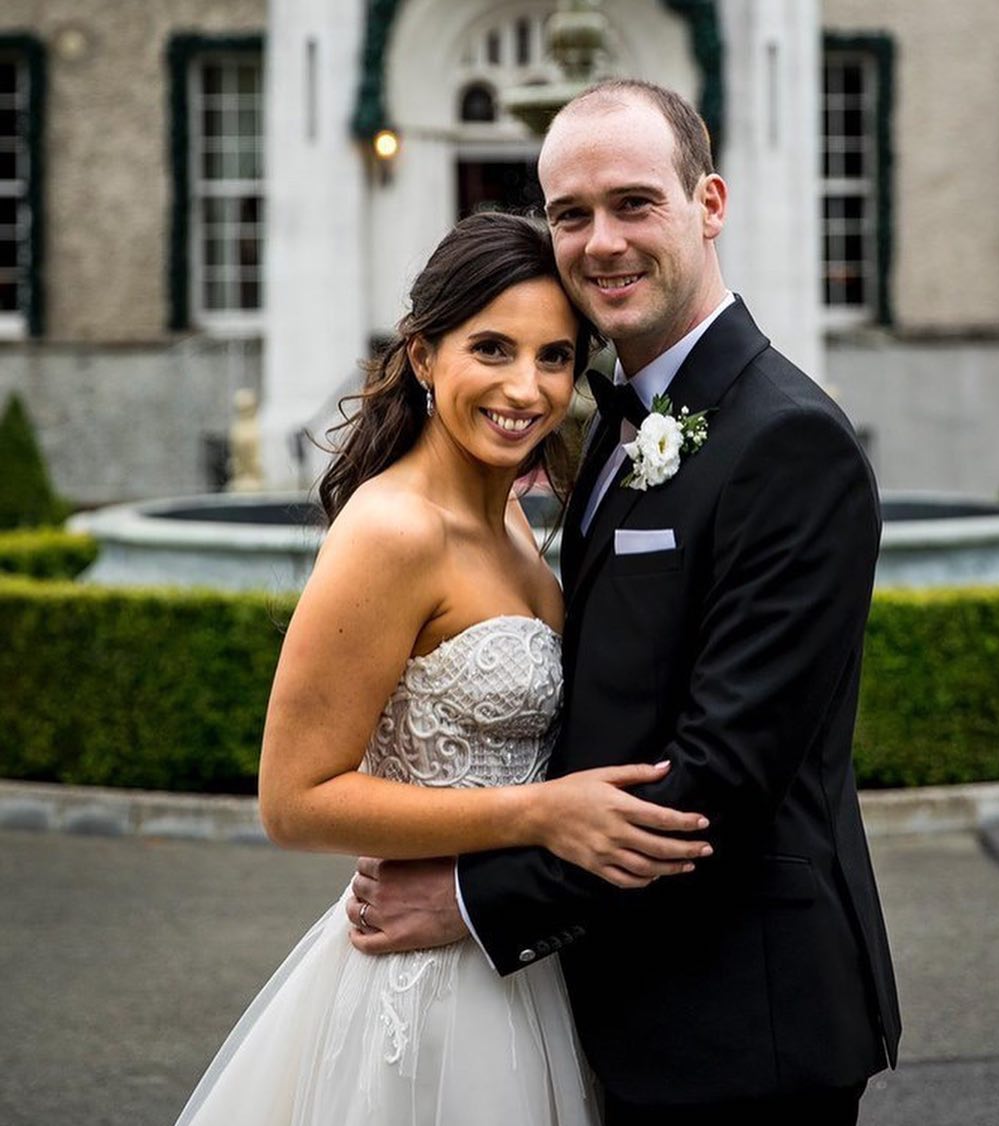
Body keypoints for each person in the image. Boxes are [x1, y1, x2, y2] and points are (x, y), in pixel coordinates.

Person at [347, 79, 902, 1126]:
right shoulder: (614, 414)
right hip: (614, 1002)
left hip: (743, 1021)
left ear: (709, 203)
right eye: (570, 213)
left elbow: (717, 783)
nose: (600, 241)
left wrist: (469, 901)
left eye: (634, 203)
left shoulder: (788, 439)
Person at [173, 211, 714, 1126]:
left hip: (524, 956)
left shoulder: (513, 518)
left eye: (552, 357)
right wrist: (538, 813)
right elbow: (294, 800)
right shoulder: (392, 532)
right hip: (425, 985)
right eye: (492, 349)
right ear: (423, 356)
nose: (525, 388)